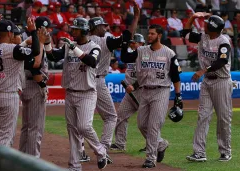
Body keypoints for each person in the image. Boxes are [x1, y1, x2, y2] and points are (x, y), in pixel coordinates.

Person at [76, 0, 140, 162]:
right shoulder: (105, 40)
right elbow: (126, 36)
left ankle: (81, 151)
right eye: (103, 26)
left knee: (80, 119)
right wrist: (135, 19)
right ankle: (102, 148)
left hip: (79, 81)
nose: (106, 28)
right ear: (96, 28)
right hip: (96, 81)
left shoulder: (81, 40)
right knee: (111, 117)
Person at [44, 17, 110, 170]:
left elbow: (91, 61)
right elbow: (52, 56)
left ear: (84, 30)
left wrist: (73, 47)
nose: (72, 31)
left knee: (84, 126)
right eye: (72, 28)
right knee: (72, 130)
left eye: (75, 29)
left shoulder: (94, 47)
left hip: (87, 93)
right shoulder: (69, 46)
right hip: (71, 92)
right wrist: (47, 41)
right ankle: (74, 166)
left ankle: (101, 152)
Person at [121, 24, 183, 168]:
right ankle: (161, 144)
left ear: (159, 36)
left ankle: (150, 158)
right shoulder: (141, 50)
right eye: (148, 33)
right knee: (142, 124)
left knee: (154, 125)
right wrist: (125, 42)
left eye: (152, 34)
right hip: (145, 91)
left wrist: (178, 96)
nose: (149, 36)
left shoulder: (169, 53)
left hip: (161, 91)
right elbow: (125, 57)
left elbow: (175, 77)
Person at [183, 12, 233, 162]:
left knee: (223, 118)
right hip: (207, 82)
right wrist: (192, 17)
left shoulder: (224, 41)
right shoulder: (203, 37)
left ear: (213, 28)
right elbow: (185, 34)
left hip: (222, 81)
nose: (204, 25)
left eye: (206, 23)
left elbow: (222, 61)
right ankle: (199, 152)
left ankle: (225, 151)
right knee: (202, 116)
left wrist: (203, 70)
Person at [0, 16, 40, 147]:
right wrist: (33, 32)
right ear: (10, 33)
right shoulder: (13, 49)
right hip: (8, 96)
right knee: (5, 136)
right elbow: (36, 51)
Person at [19, 16, 53, 158]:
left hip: (26, 84)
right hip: (34, 84)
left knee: (27, 127)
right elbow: (36, 67)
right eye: (46, 29)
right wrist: (43, 84)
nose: (48, 32)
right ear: (40, 30)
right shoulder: (34, 43)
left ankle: (21, 158)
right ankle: (33, 160)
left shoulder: (32, 41)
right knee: (35, 127)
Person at [110, 33, 145, 151]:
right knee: (121, 115)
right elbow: (124, 57)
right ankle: (120, 144)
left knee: (145, 121)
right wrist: (125, 44)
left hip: (141, 92)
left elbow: (147, 76)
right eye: (132, 43)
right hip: (129, 93)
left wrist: (134, 86)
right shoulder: (130, 55)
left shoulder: (146, 56)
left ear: (142, 44)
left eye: (136, 42)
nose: (133, 44)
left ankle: (153, 144)